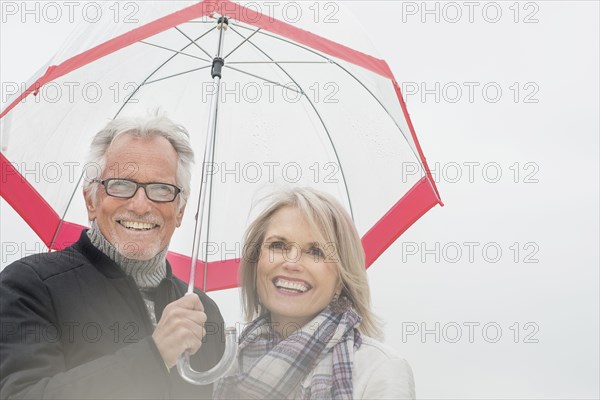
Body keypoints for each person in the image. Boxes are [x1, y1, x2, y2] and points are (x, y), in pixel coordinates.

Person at [0, 115, 225, 399]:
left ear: (179, 211)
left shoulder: (203, 313)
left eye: (161, 189)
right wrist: (154, 356)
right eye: (120, 185)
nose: (141, 205)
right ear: (91, 200)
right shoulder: (29, 287)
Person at [213, 187, 415, 399]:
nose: (291, 263)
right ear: (256, 263)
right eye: (278, 245)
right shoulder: (220, 364)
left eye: (315, 251)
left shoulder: (380, 370)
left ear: (340, 279)